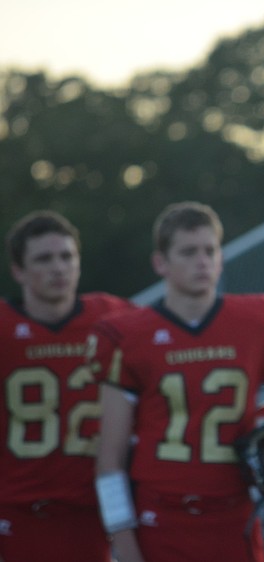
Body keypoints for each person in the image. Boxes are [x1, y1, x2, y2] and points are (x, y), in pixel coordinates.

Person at [90, 201, 264, 562]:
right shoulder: (127, 334)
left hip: (235, 513)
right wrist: (122, 540)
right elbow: (108, 458)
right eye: (188, 252)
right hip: (159, 515)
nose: (202, 261)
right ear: (161, 262)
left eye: (210, 250)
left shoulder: (256, 320)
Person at [0, 211, 133, 562]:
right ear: (18, 270)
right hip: (15, 512)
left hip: (94, 513)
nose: (58, 267)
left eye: (66, 256)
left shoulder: (115, 320)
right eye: (44, 259)